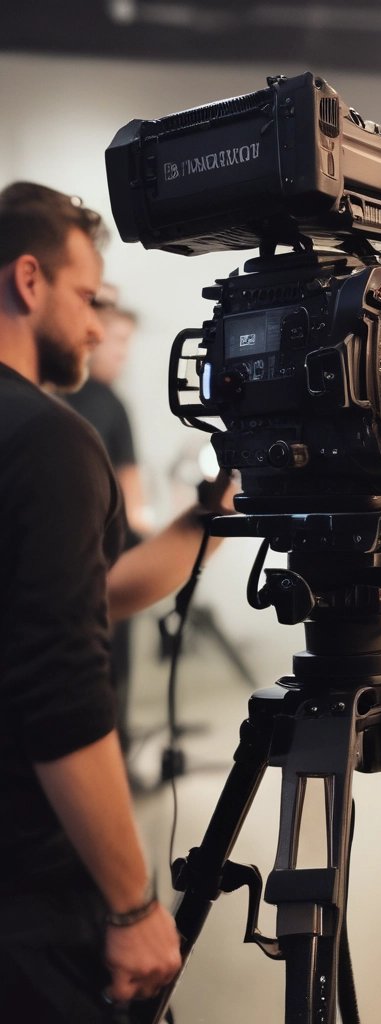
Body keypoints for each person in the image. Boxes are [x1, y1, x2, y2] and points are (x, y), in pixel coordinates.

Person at [0, 181, 231, 1020]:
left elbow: (82, 599)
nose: (98, 326)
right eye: (87, 297)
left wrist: (204, 518)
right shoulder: (50, 438)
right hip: (27, 897)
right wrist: (134, 907)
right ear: (29, 282)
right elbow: (61, 694)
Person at [64, 292, 152, 752]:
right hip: (102, 566)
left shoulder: (55, 396)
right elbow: (132, 493)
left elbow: (132, 492)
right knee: (102, 672)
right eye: (117, 339)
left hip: (102, 562)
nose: (120, 351)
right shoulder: (92, 404)